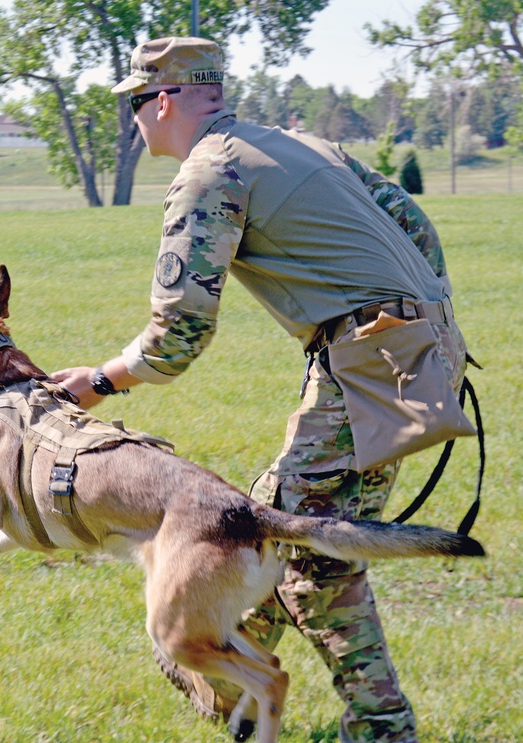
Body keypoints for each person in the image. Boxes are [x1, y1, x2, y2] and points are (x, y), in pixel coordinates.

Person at [51, 36, 468, 743]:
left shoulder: (208, 174)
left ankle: (381, 726)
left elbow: (178, 334)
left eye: (133, 103)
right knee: (261, 520)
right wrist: (417, 323)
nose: (133, 120)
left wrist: (98, 381)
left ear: (163, 99)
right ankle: (230, 686)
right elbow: (412, 223)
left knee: (312, 557)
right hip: (408, 346)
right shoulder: (291, 142)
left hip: (371, 362)